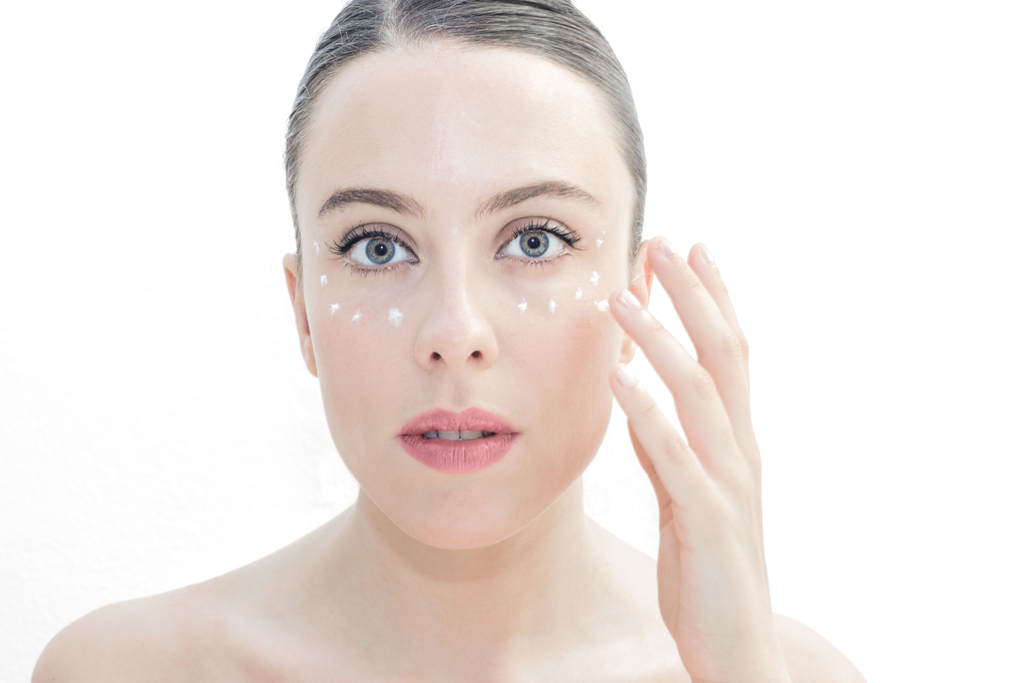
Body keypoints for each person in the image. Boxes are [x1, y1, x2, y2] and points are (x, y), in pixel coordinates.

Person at [33, 1, 866, 680]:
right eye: (378, 245)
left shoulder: (785, 674)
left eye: (535, 240)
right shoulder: (120, 668)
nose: (455, 334)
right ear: (302, 316)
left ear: (635, 301)